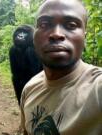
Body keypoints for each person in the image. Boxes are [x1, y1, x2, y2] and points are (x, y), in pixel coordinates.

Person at [20, 0, 102, 135]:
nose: (56, 34)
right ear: (34, 37)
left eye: (71, 25)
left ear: (84, 36)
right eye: (44, 24)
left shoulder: (97, 88)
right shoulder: (30, 88)